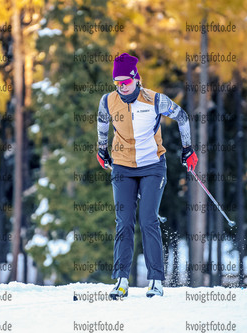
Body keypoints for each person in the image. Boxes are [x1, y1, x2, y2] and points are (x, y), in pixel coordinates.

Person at [96, 53, 197, 298]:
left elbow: (182, 117)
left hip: (152, 165)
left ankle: (156, 281)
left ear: (135, 78)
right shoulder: (108, 101)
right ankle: (121, 280)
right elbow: (102, 123)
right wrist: (101, 149)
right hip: (122, 166)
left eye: (125, 82)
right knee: (124, 221)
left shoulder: (155, 100)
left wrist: (188, 149)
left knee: (148, 219)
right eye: (117, 82)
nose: (121, 87)